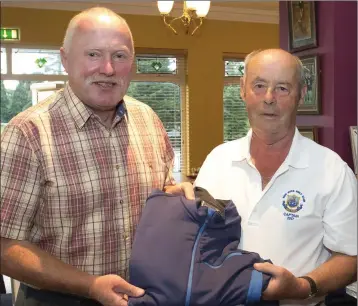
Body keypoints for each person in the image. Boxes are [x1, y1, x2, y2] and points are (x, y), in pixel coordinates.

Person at [0, 7, 193, 306]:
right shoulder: (28, 134)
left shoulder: (149, 120)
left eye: (119, 56)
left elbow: (158, 195)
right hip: (56, 299)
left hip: (143, 296)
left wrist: (173, 195)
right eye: (93, 54)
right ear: (65, 59)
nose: (107, 68)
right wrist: (90, 286)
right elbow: (4, 246)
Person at [194, 49, 357, 306]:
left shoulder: (332, 170)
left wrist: (303, 286)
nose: (269, 98)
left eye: (282, 88)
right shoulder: (217, 160)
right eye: (259, 85)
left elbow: (350, 259)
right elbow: (195, 236)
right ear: (242, 89)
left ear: (301, 95)